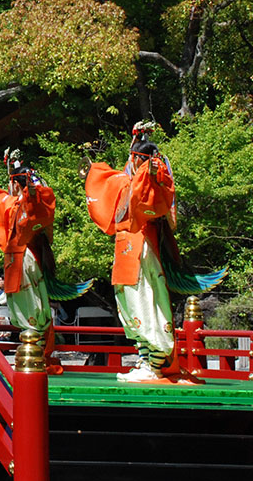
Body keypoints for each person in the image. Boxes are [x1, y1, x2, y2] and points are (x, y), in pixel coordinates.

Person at [85, 124, 182, 383]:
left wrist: (150, 167)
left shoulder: (152, 175)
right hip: (126, 245)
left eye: (134, 157)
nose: (131, 162)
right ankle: (145, 358)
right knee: (129, 301)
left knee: (146, 299)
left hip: (142, 245)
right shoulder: (128, 180)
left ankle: (155, 362)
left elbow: (148, 199)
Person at [0, 150, 57, 356]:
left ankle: (34, 350)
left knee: (29, 303)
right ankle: (34, 348)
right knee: (29, 302)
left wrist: (19, 179)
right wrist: (14, 170)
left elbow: (2, 200)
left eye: (12, 183)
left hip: (24, 258)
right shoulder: (24, 202)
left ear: (16, 185)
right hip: (24, 257)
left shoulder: (21, 203)